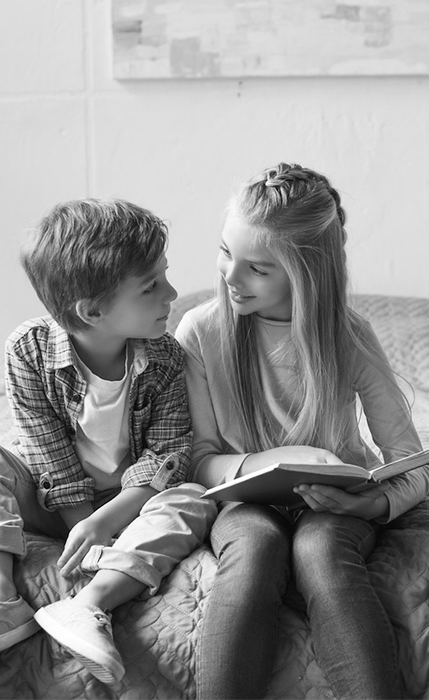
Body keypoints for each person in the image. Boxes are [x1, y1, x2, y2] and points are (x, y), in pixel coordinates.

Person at [175, 163, 429, 700]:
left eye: (258, 269)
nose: (230, 277)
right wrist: (267, 462)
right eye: (226, 253)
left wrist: (369, 508)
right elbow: (198, 458)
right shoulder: (200, 330)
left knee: (320, 552)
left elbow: (410, 457)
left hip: (332, 506)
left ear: (307, 273)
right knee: (255, 549)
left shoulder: (349, 335)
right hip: (241, 503)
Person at [0, 198, 217, 685]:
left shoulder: (164, 357)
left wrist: (106, 522)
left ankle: (88, 606)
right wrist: (81, 523)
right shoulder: (28, 350)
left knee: (193, 498)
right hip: (49, 497)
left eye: (165, 275)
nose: (173, 293)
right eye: (151, 286)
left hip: (130, 508)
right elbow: (44, 451)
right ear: (92, 311)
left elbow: (168, 455)